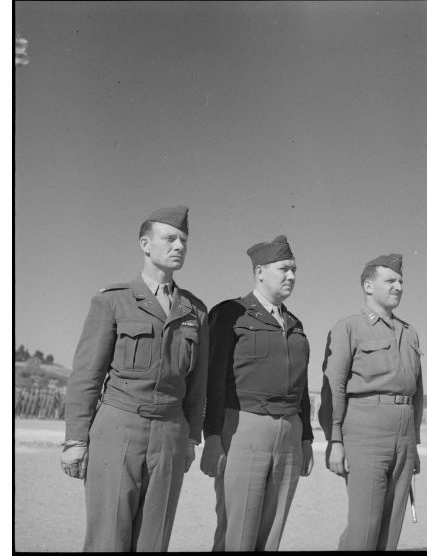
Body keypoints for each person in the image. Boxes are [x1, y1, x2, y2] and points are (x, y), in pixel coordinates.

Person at [61, 206, 208, 552]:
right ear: (145, 244)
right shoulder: (113, 301)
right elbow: (86, 375)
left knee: (153, 542)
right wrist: (74, 440)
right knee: (108, 540)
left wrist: (190, 439)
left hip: (171, 434)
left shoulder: (195, 311)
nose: (179, 246)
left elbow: (197, 385)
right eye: (170, 238)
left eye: (184, 240)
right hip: (118, 428)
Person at [200, 235, 314, 551]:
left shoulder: (295, 323)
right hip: (242, 429)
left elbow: (302, 386)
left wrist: (306, 439)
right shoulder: (230, 313)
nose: (291, 276)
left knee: (272, 532)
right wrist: (211, 437)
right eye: (284, 269)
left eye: (294, 270)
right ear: (260, 271)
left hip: (289, 434)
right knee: (237, 532)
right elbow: (212, 379)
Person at [319, 254, 423, 551]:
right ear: (368, 286)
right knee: (364, 528)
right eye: (390, 280)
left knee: (391, 530)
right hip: (366, 431)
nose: (399, 286)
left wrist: (413, 444)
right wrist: (334, 439)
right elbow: (334, 386)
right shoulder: (349, 327)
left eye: (401, 281)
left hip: (403, 435)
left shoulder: (409, 332)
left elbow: (417, 391)